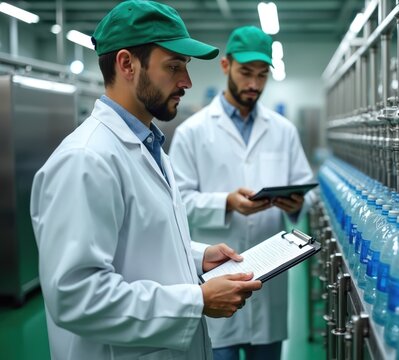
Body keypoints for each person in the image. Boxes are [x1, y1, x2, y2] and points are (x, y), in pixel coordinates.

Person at [29, 2, 262, 359]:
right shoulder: (86, 160)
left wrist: (197, 256)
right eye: (174, 67)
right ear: (127, 64)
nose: (187, 82)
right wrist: (195, 300)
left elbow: (139, 241)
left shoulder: (148, 145)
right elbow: (76, 297)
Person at [169, 25, 315, 360]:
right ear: (226, 66)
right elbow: (177, 204)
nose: (253, 84)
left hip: (270, 278)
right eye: (246, 73)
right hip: (218, 276)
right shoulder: (193, 132)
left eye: (262, 75)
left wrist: (296, 204)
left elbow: (309, 189)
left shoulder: (284, 131)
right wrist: (227, 204)